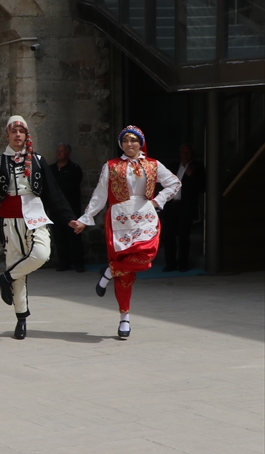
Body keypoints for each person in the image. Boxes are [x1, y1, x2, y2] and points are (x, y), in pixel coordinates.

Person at [0, 115, 78, 340]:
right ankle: (21, 319)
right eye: (14, 131)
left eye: (22, 131)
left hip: (36, 217)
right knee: (17, 267)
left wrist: (69, 217)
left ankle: (5, 278)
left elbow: (54, 193)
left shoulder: (37, 161)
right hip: (10, 220)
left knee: (42, 254)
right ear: (7, 135)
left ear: (26, 134)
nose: (18, 135)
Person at [74, 125, 179, 339]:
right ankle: (124, 318)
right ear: (120, 144)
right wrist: (86, 218)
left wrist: (157, 201)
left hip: (145, 218)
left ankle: (109, 272)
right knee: (126, 275)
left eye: (133, 140)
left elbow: (174, 183)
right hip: (119, 220)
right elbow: (100, 194)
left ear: (141, 142)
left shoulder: (152, 164)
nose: (129, 144)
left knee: (147, 255)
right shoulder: (111, 166)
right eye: (125, 140)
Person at [160, 143, 205, 272]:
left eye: (187, 152)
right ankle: (170, 263)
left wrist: (191, 177)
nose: (185, 155)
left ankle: (183, 263)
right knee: (169, 236)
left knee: (183, 236)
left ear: (192, 153)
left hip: (186, 208)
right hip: (171, 206)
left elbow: (202, 187)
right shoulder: (173, 167)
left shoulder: (198, 168)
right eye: (183, 152)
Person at [48, 143, 85, 272]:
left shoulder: (74, 169)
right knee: (59, 236)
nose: (59, 153)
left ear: (68, 154)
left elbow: (72, 185)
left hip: (71, 207)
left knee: (74, 236)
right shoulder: (51, 169)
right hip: (55, 209)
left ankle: (79, 262)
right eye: (58, 151)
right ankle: (64, 262)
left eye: (62, 151)